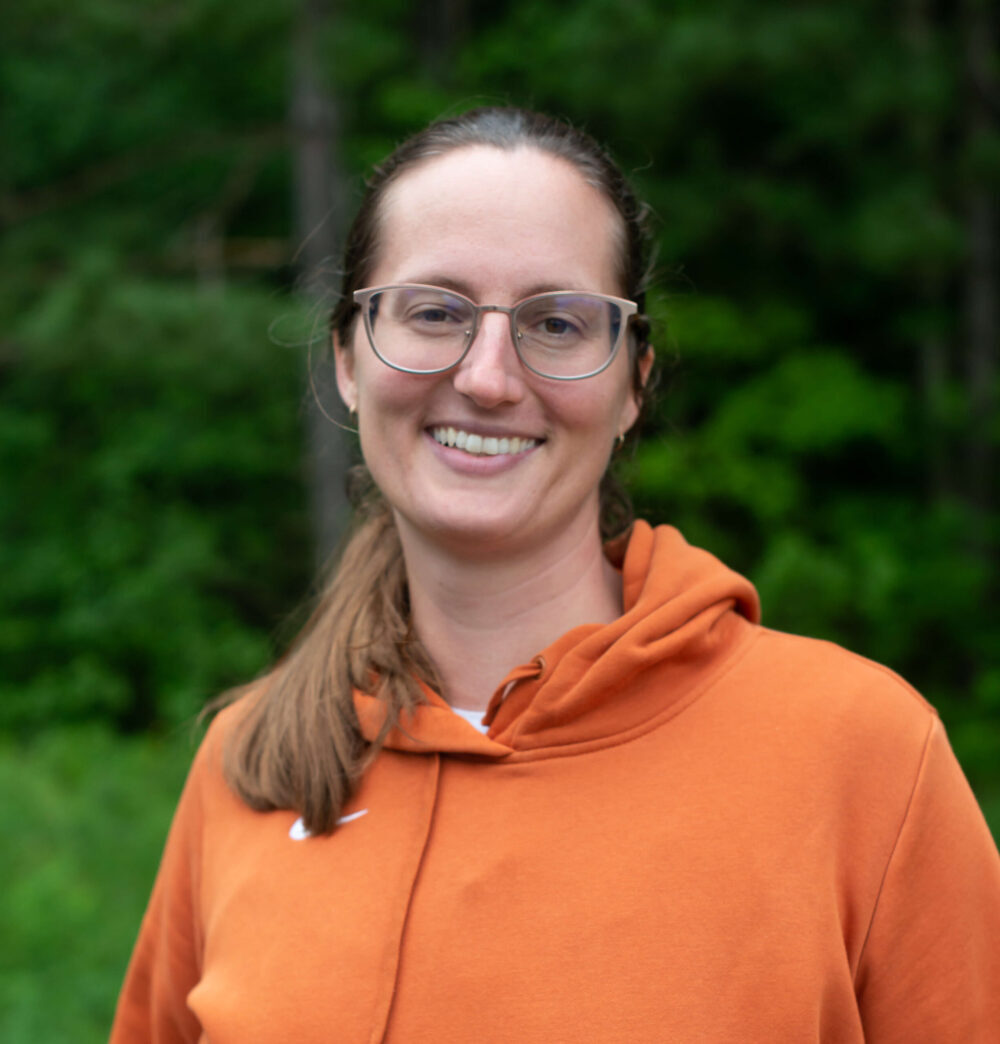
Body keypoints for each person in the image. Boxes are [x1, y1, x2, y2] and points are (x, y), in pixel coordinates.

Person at [111, 107, 1000, 1043]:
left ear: (633, 384)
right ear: (347, 359)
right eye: (433, 311)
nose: (489, 377)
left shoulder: (860, 755)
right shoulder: (252, 766)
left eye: (558, 322)